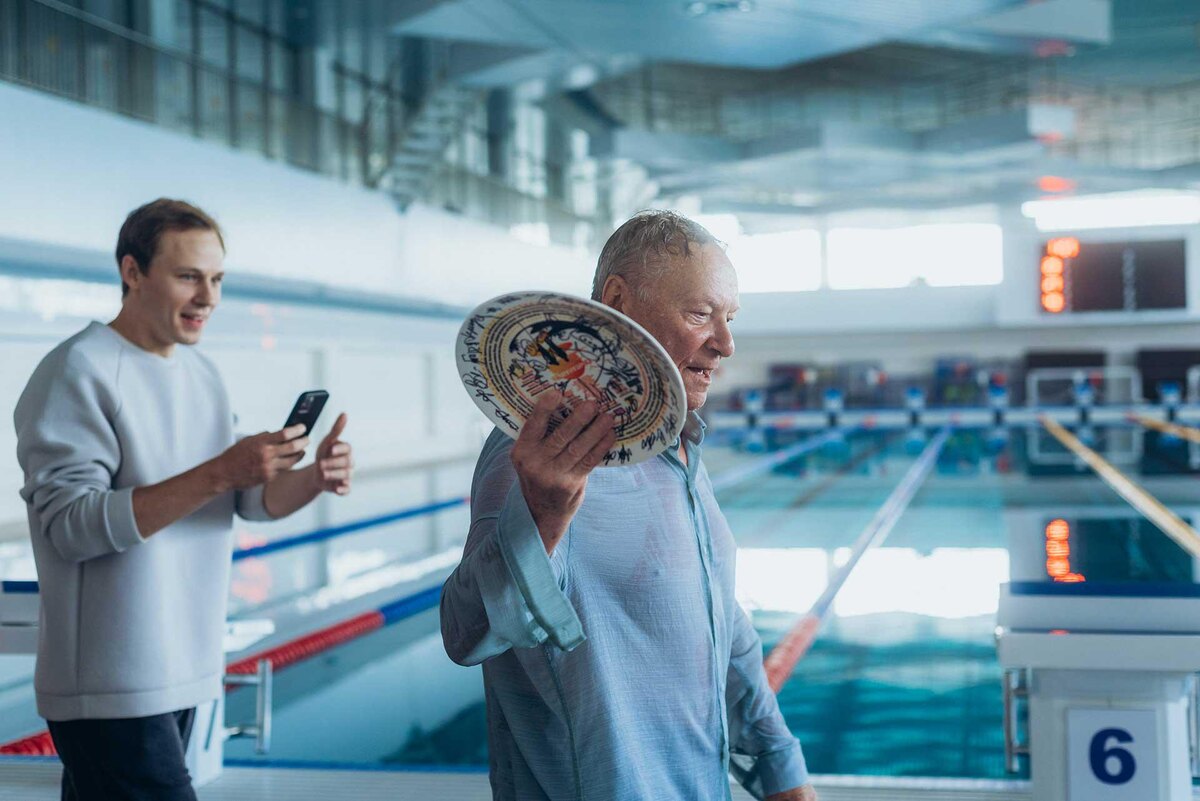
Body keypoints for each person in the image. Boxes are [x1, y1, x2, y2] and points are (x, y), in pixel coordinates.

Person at [441, 210, 816, 800]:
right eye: (700, 314)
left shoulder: (679, 448)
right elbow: (467, 633)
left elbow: (722, 622)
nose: (725, 343)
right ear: (618, 300)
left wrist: (781, 773)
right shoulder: (535, 451)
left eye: (730, 318)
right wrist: (544, 511)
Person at [14, 198, 354, 801]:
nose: (208, 297)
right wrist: (223, 470)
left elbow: (248, 501)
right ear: (132, 272)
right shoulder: (78, 370)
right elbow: (72, 526)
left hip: (183, 670)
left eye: (217, 279)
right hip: (109, 681)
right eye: (188, 276)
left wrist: (311, 478)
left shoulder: (201, 375)